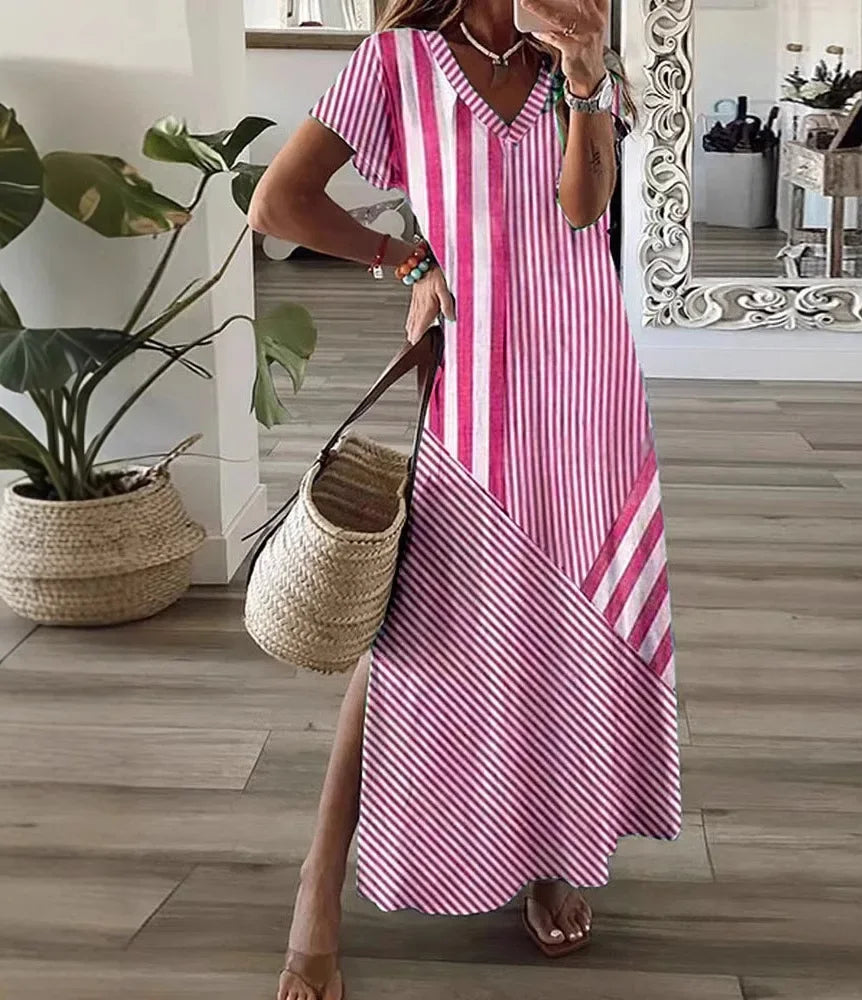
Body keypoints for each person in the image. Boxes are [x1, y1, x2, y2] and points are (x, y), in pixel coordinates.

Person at [249, 0, 681, 996]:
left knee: (568, 624)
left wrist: (585, 74)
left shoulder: (576, 61)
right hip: (474, 390)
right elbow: (279, 203)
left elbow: (584, 212)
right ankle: (318, 887)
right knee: (413, 631)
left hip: (588, 388)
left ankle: (553, 852)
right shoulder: (397, 60)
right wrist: (403, 258)